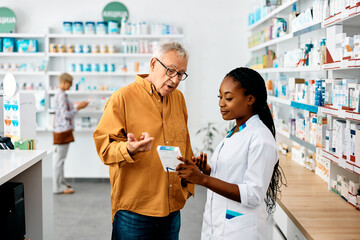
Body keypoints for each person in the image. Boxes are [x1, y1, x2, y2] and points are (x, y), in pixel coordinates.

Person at [93, 41, 194, 240]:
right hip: (134, 212)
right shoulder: (122, 98)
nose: (174, 80)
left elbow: (185, 145)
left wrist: (187, 187)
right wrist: (128, 149)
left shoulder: (179, 99)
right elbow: (104, 149)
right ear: (153, 64)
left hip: (172, 209)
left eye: (181, 74)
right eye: (171, 71)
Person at [176, 67, 285, 240]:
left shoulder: (260, 138)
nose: (221, 103)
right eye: (220, 97)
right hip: (218, 225)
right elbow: (235, 174)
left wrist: (203, 180)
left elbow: (253, 194)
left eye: (228, 98)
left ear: (250, 99)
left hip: (241, 230)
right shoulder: (237, 130)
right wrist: (209, 171)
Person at [53, 73, 89, 194]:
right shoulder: (61, 96)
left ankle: (61, 183)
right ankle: (57, 187)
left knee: (61, 159)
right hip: (62, 130)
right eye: (69, 83)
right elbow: (65, 115)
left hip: (63, 129)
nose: (71, 86)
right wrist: (78, 108)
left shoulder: (61, 95)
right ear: (64, 82)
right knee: (59, 160)